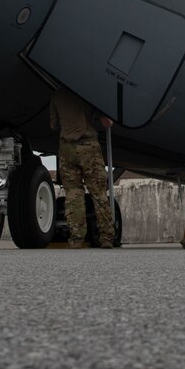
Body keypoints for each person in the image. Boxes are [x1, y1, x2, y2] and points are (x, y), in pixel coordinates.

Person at [49, 86, 115, 248]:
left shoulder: (57, 96)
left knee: (73, 195)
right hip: (88, 148)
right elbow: (107, 123)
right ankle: (106, 238)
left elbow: (53, 125)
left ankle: (76, 239)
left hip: (67, 150)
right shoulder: (86, 91)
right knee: (98, 193)